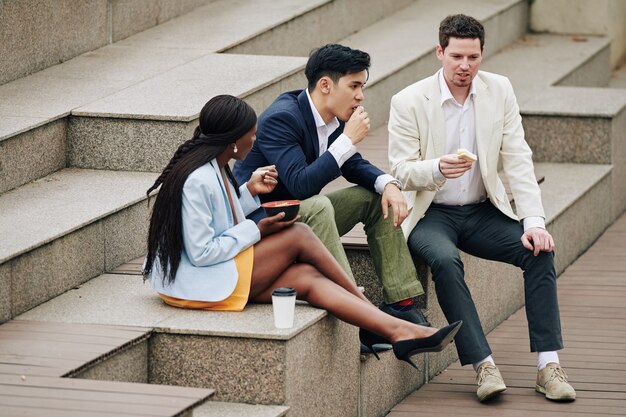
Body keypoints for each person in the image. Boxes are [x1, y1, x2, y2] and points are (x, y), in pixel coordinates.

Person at [142, 94, 462, 369]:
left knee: (306, 277)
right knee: (299, 236)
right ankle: (381, 321)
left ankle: (395, 333)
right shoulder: (198, 179)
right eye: (251, 135)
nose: (255, 140)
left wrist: (248, 191)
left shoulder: (216, 169)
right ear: (233, 142)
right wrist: (257, 228)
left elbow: (219, 216)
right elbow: (202, 252)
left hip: (212, 276)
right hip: (198, 284)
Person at [387, 14, 575, 402]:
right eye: (456, 56)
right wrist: (437, 167)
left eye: (473, 57)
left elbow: (519, 158)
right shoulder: (408, 101)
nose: (465, 66)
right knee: (444, 260)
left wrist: (534, 221)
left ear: (482, 54)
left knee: (539, 250)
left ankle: (548, 365)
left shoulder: (499, 90)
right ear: (439, 52)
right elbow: (401, 170)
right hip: (430, 213)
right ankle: (483, 364)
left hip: (481, 209)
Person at [233, 44, 429, 330]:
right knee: (320, 204)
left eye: (362, 86)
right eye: (354, 86)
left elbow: (352, 164)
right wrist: (346, 141)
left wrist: (388, 184)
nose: (361, 96)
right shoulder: (282, 118)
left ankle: (400, 304)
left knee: (373, 197)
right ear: (326, 85)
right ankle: (358, 312)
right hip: (265, 230)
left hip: (303, 220)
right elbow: (300, 185)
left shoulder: (332, 119)